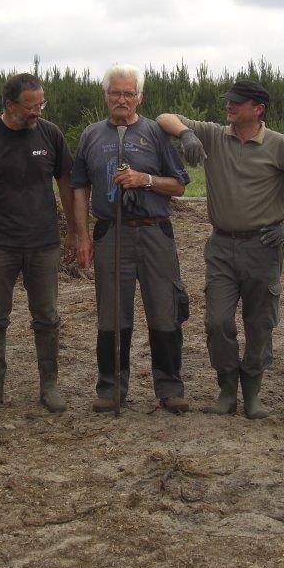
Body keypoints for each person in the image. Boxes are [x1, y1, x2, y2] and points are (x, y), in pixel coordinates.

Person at [155, 79, 284, 418]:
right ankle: (227, 388)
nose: (230, 106)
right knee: (218, 321)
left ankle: (252, 392)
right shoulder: (212, 135)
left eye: (238, 102)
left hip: (264, 248)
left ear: (258, 108)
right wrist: (187, 134)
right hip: (222, 246)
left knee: (260, 323)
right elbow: (164, 117)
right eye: (229, 101)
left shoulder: (280, 146)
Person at [72, 63, 192, 414]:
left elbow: (180, 185)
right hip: (111, 234)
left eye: (128, 93)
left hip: (154, 231)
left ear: (139, 97)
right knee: (111, 314)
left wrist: (145, 180)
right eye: (115, 93)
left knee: (164, 311)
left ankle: (170, 388)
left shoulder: (155, 133)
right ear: (105, 96)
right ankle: (111, 388)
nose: (121, 99)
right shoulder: (91, 135)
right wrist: (80, 234)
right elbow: (79, 186)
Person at [0, 73, 75, 414]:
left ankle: (49, 384)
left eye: (42, 104)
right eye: (31, 105)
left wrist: (75, 231)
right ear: (10, 105)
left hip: (43, 244)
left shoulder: (50, 134)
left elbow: (66, 182)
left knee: (47, 315)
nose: (38, 111)